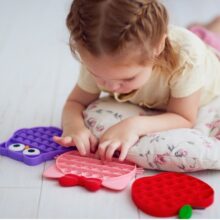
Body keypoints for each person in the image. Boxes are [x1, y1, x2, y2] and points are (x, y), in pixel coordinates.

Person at [53, 0, 220, 162]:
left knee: (210, 39)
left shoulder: (187, 60)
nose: (111, 87)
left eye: (128, 78)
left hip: (212, 58)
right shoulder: (99, 58)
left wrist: (134, 126)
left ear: (158, 47)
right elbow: (75, 102)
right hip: (177, 39)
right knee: (199, 33)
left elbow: (183, 117)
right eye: (98, 76)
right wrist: (74, 127)